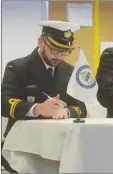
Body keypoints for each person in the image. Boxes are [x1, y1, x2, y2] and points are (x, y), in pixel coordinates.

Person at [1, 21, 88, 159]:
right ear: (40, 42)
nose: (59, 56)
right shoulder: (18, 67)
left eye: (65, 51)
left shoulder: (69, 71)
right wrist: (37, 109)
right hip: (21, 147)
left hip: (57, 147)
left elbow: (82, 106)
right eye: (54, 50)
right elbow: (3, 103)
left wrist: (66, 111)